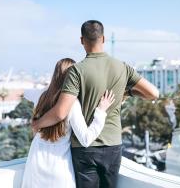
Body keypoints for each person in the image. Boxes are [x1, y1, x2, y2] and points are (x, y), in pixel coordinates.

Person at [32, 20, 159, 188]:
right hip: (113, 144)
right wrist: (126, 92)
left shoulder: (76, 71)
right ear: (104, 38)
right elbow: (153, 93)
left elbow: (61, 112)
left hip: (84, 149)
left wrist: (37, 124)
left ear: (82, 40)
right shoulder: (123, 67)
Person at [22, 58, 115, 188]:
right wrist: (101, 111)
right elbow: (86, 139)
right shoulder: (72, 104)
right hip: (59, 166)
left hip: (35, 163)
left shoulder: (40, 95)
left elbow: (23, 93)